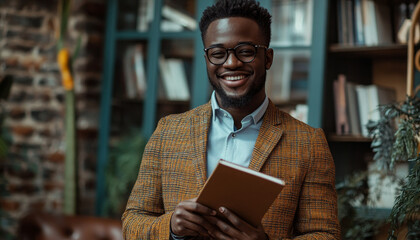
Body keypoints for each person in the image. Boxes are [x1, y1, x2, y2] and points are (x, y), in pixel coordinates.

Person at [122, 0, 340, 239]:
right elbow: (133, 221)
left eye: (245, 51)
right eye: (217, 53)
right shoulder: (168, 131)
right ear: (206, 59)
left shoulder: (309, 143)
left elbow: (325, 234)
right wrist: (172, 226)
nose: (231, 63)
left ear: (267, 58)